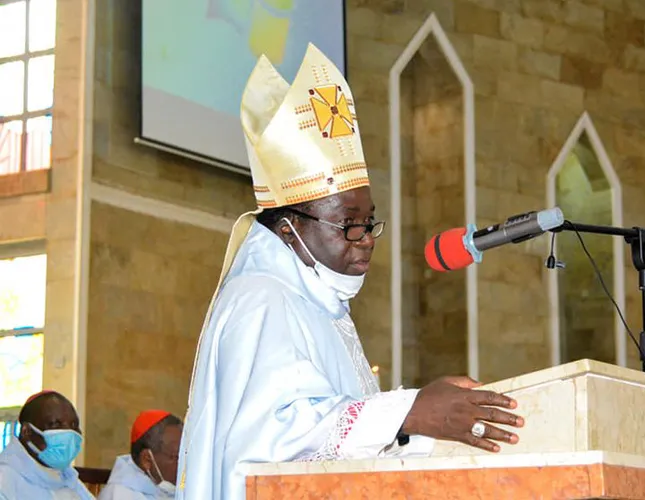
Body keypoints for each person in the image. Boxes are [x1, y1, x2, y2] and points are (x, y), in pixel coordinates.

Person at [176, 43, 525, 500]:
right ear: (287, 229)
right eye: (348, 224)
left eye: (369, 222)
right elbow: (269, 447)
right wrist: (410, 411)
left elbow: (342, 445)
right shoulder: (261, 299)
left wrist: (426, 420)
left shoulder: (324, 306)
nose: (366, 238)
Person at [0, 390, 94, 500]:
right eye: (55, 424)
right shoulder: (5, 480)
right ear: (27, 431)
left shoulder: (69, 479)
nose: (68, 432)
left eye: (74, 425)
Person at [99, 410, 182, 500]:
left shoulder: (171, 490)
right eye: (176, 457)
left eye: (185, 457)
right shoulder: (120, 495)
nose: (183, 466)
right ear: (147, 460)